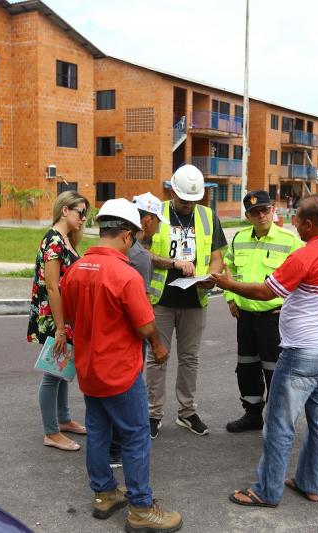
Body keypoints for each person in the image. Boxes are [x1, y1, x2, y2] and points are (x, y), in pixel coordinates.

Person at [212, 194, 318, 507]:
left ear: (307, 223)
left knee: (279, 424)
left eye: (296, 220)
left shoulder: (306, 255)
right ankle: (310, 483)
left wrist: (226, 285)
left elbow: (266, 291)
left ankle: (267, 490)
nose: (292, 224)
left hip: (303, 353)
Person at [61, 199, 182, 532]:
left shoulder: (76, 268)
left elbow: (70, 314)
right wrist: (158, 346)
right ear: (127, 236)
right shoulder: (125, 275)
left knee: (99, 431)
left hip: (89, 369)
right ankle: (141, 509)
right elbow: (145, 325)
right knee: (136, 435)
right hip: (119, 371)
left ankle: (104, 493)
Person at [146, 164, 226, 438]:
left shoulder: (207, 216)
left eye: (194, 200)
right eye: (184, 200)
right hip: (162, 299)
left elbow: (217, 254)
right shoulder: (157, 213)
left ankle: (187, 412)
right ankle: (152, 414)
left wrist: (211, 275)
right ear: (171, 191)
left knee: (190, 359)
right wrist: (173, 263)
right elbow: (141, 252)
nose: (189, 205)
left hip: (195, 298)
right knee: (157, 357)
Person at [223, 190, 302, 433]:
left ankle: (277, 419)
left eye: (265, 210)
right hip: (245, 318)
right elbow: (230, 266)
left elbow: (303, 278)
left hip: (274, 319)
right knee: (246, 367)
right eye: (255, 212)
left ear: (273, 208)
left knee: (274, 370)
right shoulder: (238, 238)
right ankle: (252, 413)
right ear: (247, 216)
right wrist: (230, 297)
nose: (261, 216)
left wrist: (290, 307)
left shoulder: (290, 241)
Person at [107, 191, 167, 468]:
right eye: (155, 221)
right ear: (148, 219)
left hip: (108, 336)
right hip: (131, 337)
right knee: (129, 393)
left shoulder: (113, 251)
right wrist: (156, 343)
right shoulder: (138, 256)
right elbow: (139, 306)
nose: (156, 227)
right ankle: (119, 448)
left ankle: (110, 446)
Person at [27, 191, 89, 451]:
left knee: (62, 371)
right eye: (80, 212)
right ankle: (51, 432)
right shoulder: (54, 240)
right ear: (65, 210)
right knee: (53, 374)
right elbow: (52, 287)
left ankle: (63, 419)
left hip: (64, 316)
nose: (84, 219)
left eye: (86, 214)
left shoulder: (66, 239)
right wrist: (61, 328)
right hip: (55, 317)